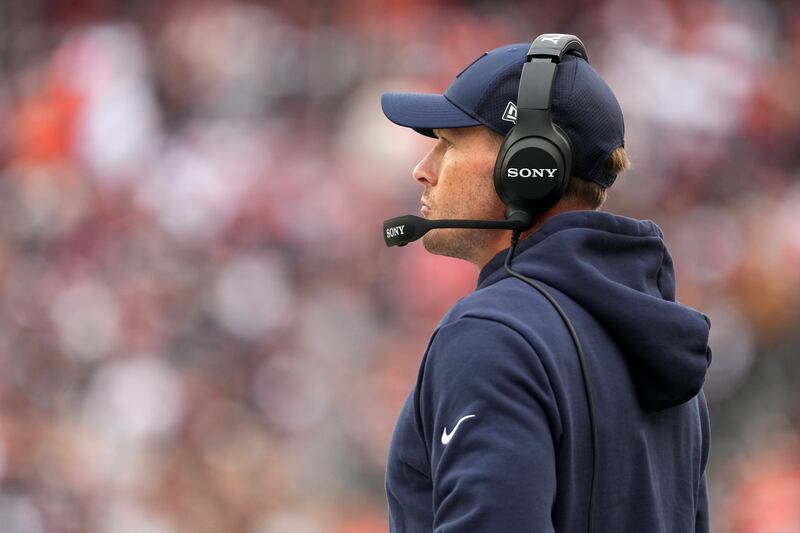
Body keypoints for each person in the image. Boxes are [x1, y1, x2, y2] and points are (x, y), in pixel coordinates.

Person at [380, 38, 712, 532]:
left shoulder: (491, 336)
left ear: (526, 168)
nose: (422, 170)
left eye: (448, 143)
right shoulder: (659, 342)